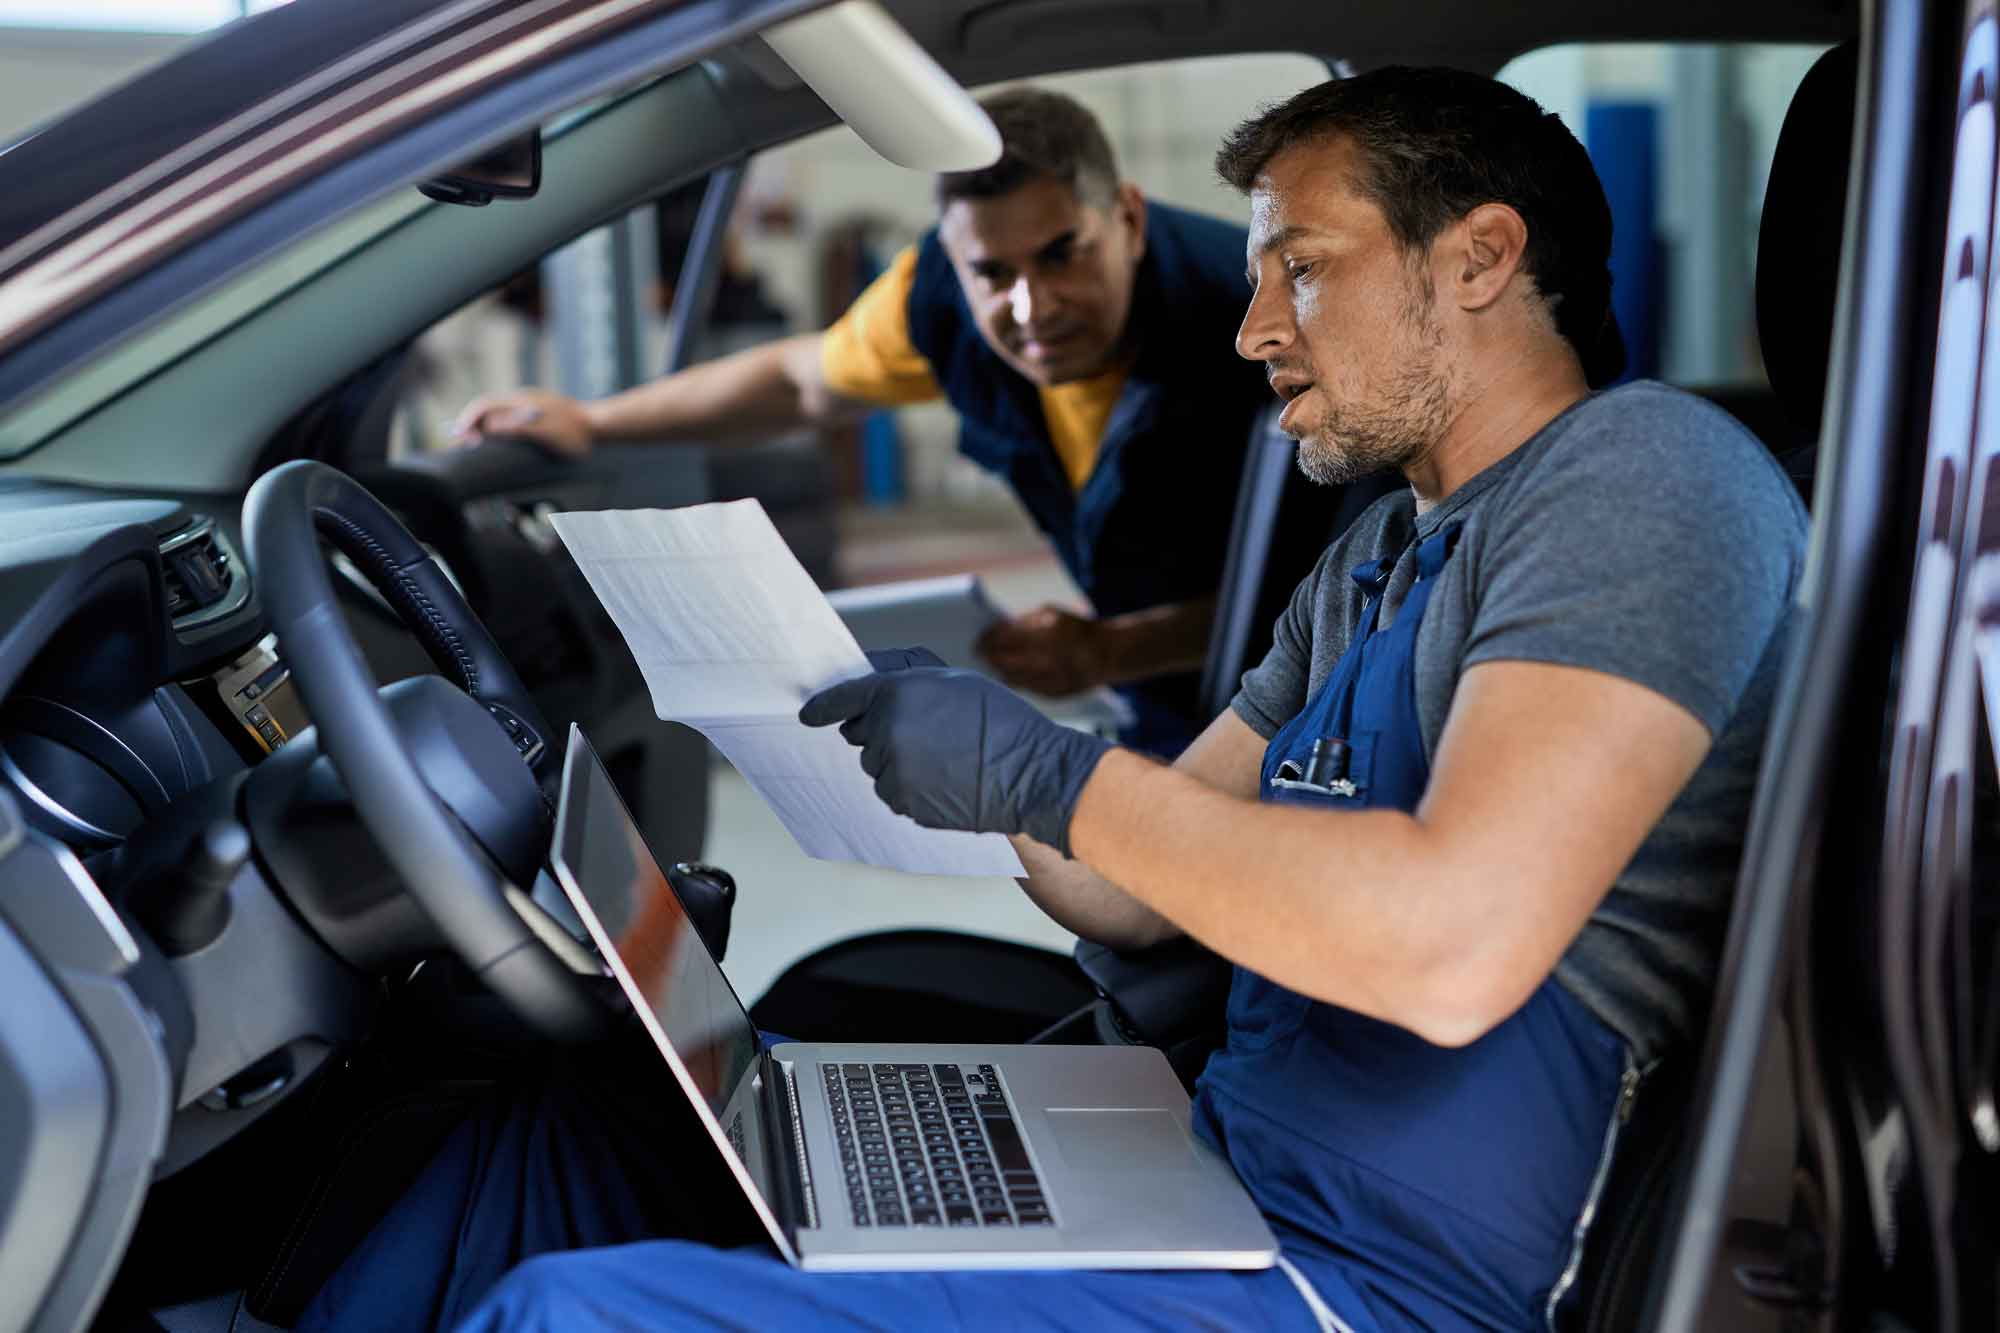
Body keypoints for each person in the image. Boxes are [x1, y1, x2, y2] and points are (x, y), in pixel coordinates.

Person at [301, 67, 1807, 1332]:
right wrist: (947, 741)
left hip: (1361, 1289)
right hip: (1208, 1174)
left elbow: (1455, 948)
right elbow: (1124, 897)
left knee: (574, 1318)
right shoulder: (1384, 557)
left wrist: (1046, 776)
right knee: (548, 1144)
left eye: (1305, 269)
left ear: (1479, 257)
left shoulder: (1648, 478)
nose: (1253, 326)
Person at [454, 87, 1276, 756]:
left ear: (1127, 219)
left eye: (1063, 253)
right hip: (1156, 700)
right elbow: (795, 383)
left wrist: (1113, 651)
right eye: (992, 271)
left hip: (1294, 693)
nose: (1032, 308)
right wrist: (591, 423)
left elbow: (1327, 581)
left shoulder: (1259, 324)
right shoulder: (936, 295)